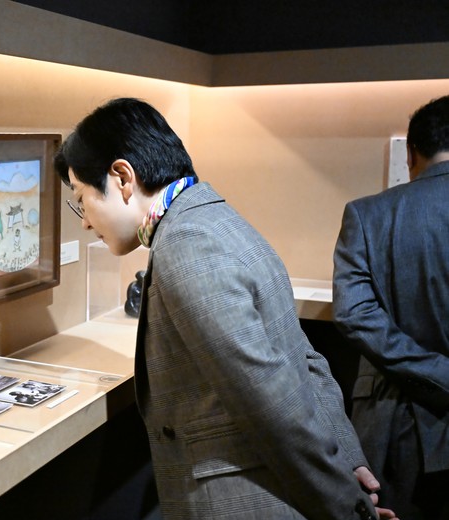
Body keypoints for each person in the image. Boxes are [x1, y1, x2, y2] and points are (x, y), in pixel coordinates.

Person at [56, 98, 396, 519]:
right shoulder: (216, 219)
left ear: (122, 177)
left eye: (81, 198)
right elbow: (305, 361)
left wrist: (349, 507)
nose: (85, 221)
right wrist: (347, 462)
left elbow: (270, 402)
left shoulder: (187, 246)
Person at [333, 95, 449, 518]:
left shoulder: (367, 215)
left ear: (411, 154)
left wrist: (438, 372)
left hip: (394, 422)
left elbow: (353, 314)